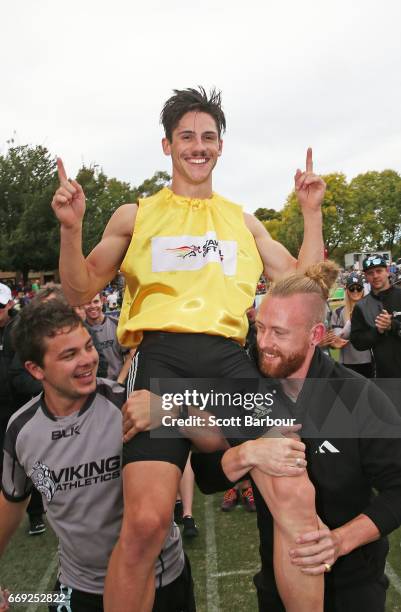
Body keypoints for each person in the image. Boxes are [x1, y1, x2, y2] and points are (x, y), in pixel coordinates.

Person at [51, 86, 326, 612]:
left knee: (297, 498)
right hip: (161, 361)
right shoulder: (136, 215)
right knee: (148, 521)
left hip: (229, 363)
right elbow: (81, 289)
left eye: (208, 137)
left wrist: (310, 213)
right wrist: (71, 229)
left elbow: (304, 283)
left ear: (220, 146)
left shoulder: (244, 222)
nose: (198, 146)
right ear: (166, 146)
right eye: (187, 137)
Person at [188, 262, 401, 611]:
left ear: (316, 335)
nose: (264, 344)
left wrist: (339, 541)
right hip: (277, 583)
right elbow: (208, 476)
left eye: (280, 333)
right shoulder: (246, 392)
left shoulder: (359, 396)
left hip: (353, 588)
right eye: (260, 329)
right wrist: (248, 453)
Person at [0, 300, 195, 612]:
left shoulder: (126, 405)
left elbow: (217, 434)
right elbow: (11, 501)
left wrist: (174, 411)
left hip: (155, 581)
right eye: (69, 355)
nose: (87, 360)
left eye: (88, 346)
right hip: (78, 587)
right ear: (35, 369)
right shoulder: (22, 429)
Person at [351, 254, 401, 378]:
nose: (375, 276)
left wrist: (392, 325)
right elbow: (357, 342)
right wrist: (378, 331)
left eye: (379, 271)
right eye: (370, 273)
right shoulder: (361, 306)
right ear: (366, 276)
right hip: (384, 376)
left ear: (387, 271)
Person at [331, 273, 373, 377]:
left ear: (363, 290)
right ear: (347, 291)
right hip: (348, 363)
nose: (355, 291)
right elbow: (340, 337)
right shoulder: (338, 312)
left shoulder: (371, 310)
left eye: (358, 288)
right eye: (352, 288)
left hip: (369, 361)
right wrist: (352, 320)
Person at [83, 293, 127, 381]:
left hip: (117, 384)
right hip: (94, 386)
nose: (92, 306)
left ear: (102, 301)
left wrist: (120, 381)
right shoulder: (80, 331)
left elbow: (130, 356)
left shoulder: (117, 324)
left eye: (96, 302)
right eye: (88, 303)